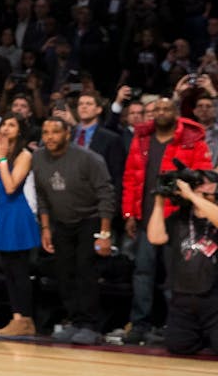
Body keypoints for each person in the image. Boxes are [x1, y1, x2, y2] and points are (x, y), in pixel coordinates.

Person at [120, 95, 212, 344]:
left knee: (176, 277)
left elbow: (203, 178)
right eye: (156, 109)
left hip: (181, 219)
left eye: (165, 108)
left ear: (176, 113)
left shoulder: (193, 141)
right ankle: (139, 324)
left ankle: (177, 326)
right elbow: (130, 177)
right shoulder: (141, 139)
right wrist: (129, 213)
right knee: (142, 272)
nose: (160, 112)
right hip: (147, 217)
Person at [33, 116, 116, 345]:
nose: (49, 137)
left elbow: (106, 195)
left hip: (89, 219)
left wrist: (105, 234)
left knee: (85, 271)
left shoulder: (88, 158)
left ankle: (91, 325)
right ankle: (76, 320)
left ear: (67, 134)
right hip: (60, 222)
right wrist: (46, 227)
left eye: (55, 132)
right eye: (46, 132)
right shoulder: (37, 158)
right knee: (63, 272)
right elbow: (41, 196)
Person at [0, 115, 41, 337]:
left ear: (20, 131)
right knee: (8, 269)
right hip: (2, 215)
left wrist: (2, 160)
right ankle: (17, 318)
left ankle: (25, 318)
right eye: (4, 124)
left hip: (18, 214)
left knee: (19, 269)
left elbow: (11, 186)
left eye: (11, 125)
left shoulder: (24, 155)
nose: (5, 128)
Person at [146, 171, 218, 355]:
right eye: (199, 184)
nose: (202, 187)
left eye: (207, 183)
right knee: (178, 346)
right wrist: (159, 202)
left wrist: (193, 196)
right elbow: (155, 237)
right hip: (183, 297)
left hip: (214, 297)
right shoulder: (180, 217)